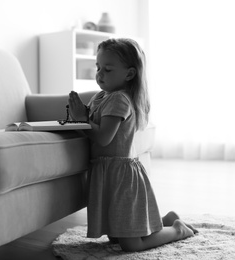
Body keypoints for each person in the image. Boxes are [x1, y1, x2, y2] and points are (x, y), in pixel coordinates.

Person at [67, 38, 198, 252]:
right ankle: (165, 219)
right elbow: (91, 129)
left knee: (131, 245)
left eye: (107, 69)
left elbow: (103, 138)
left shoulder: (120, 99)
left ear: (129, 74)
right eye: (98, 67)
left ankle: (176, 230)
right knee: (115, 238)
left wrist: (81, 119)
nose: (99, 74)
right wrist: (76, 120)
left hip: (121, 176)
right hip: (106, 171)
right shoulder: (101, 97)